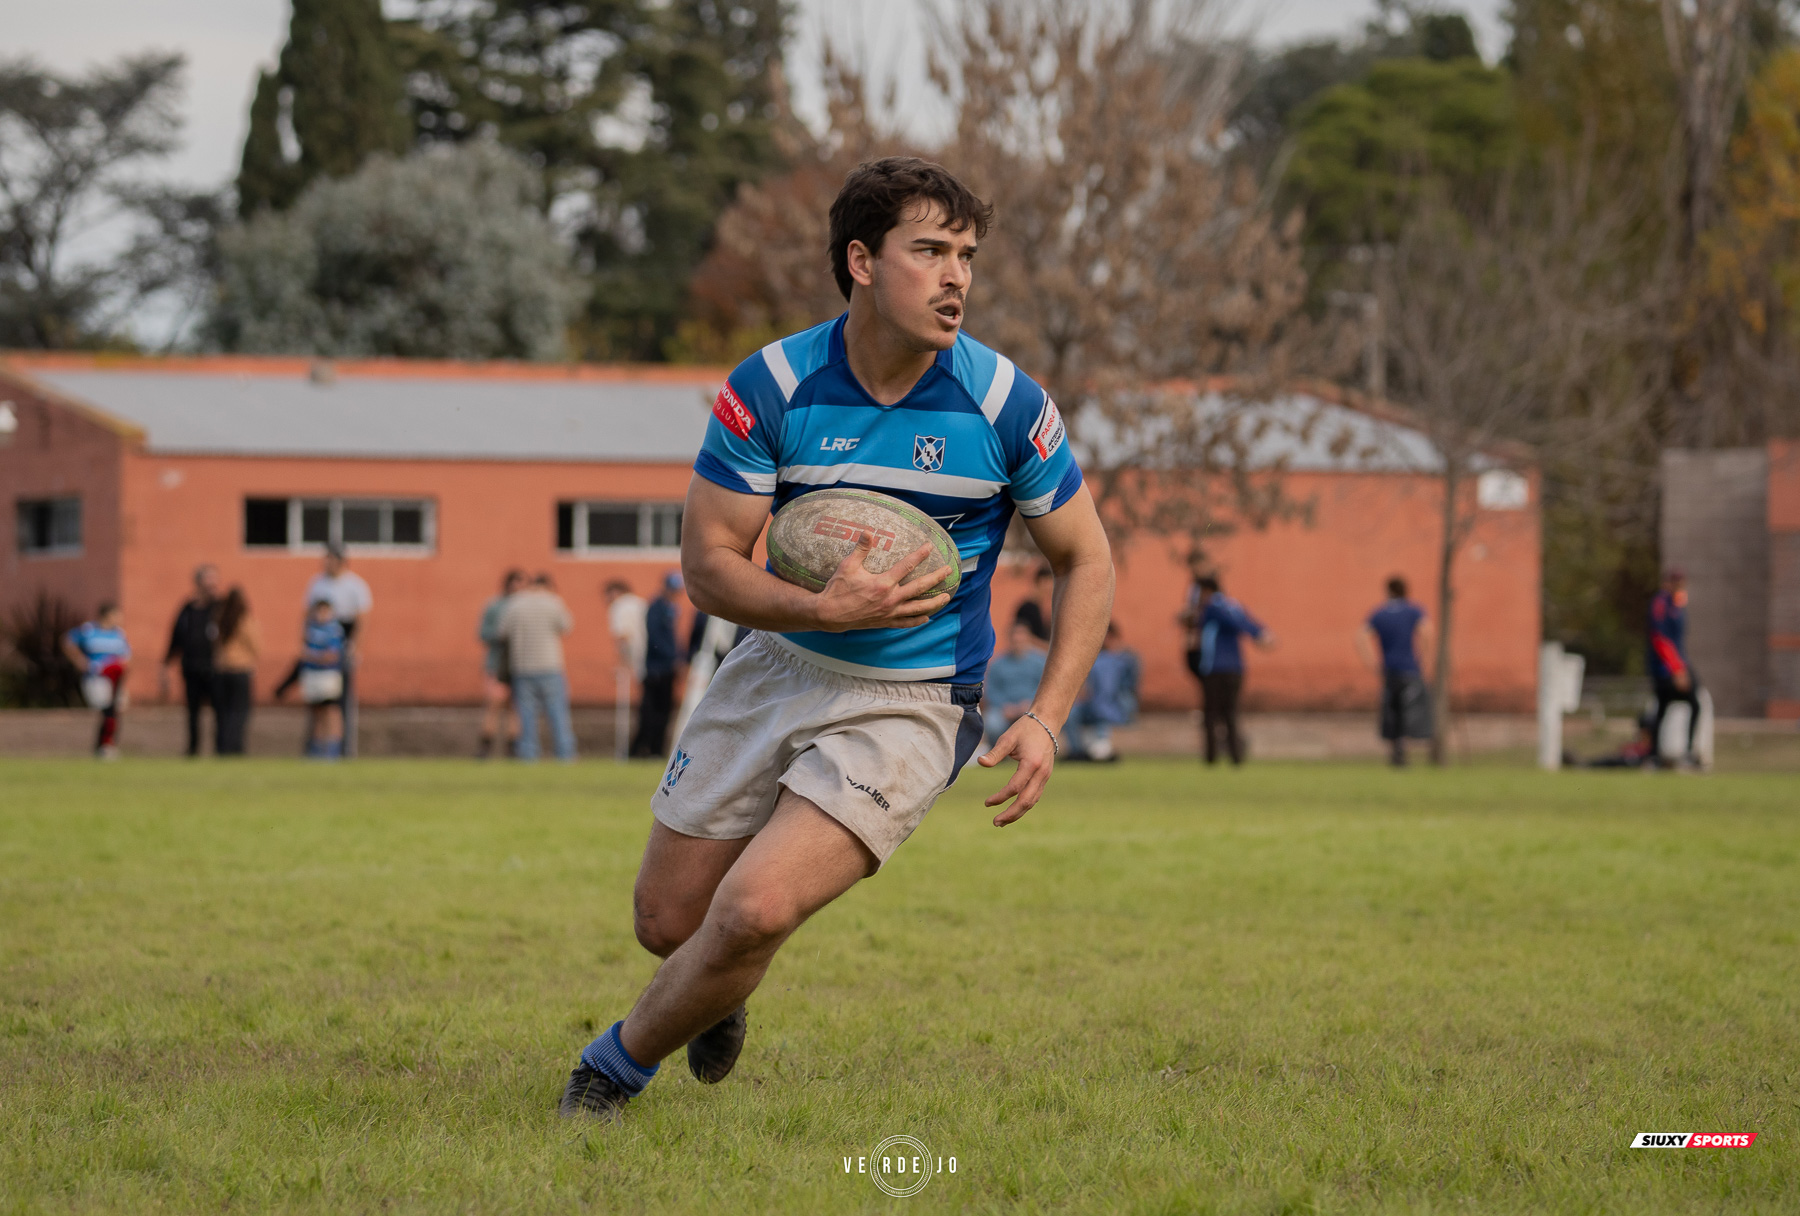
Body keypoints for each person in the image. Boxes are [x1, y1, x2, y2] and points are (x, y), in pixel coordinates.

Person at [557, 156, 1114, 1121]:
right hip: (778, 661)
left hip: (915, 701)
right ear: (861, 261)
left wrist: (1049, 718)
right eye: (929, 251)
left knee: (754, 910)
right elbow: (707, 566)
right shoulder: (772, 385)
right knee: (667, 922)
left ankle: (607, 1072)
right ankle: (716, 986)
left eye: (967, 256)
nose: (956, 278)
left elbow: (1087, 560)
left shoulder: (1005, 404)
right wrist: (818, 610)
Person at [277, 545, 372, 754]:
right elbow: (306, 616)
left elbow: (361, 621)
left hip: (340, 647)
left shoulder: (355, 586)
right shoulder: (317, 583)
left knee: (339, 702)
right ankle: (313, 748)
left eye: (330, 560)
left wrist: (354, 648)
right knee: (315, 701)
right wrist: (305, 644)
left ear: (341, 561)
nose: (326, 564)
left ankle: (343, 749)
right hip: (317, 648)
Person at [1183, 574, 1273, 766]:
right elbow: (1244, 622)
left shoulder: (1211, 607)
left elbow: (1229, 622)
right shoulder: (1233, 605)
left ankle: (1211, 757)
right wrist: (1260, 633)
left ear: (1206, 591)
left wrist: (1258, 635)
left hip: (1215, 668)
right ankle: (1235, 757)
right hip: (1235, 668)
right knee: (1230, 713)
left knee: (1211, 714)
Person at [1357, 576, 1436, 767]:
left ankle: (1396, 751)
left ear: (1388, 591)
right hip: (1410, 670)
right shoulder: (1413, 611)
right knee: (1410, 710)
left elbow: (1361, 636)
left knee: (1392, 711)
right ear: (1405, 590)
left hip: (1389, 670)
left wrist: (1372, 663)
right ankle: (1404, 749)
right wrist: (1425, 659)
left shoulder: (1380, 614)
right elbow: (1427, 631)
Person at [500, 572, 577, 762]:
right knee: (557, 712)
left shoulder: (515, 603)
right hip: (550, 665)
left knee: (526, 714)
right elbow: (567, 627)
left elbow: (503, 631)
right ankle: (565, 753)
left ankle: (528, 754)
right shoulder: (553, 602)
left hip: (523, 666)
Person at [161, 564, 222, 756]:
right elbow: (176, 638)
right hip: (191, 668)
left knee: (219, 711)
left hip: (216, 669)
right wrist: (165, 665)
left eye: (215, 579)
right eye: (209, 579)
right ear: (198, 582)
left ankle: (221, 749)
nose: (213, 584)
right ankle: (193, 750)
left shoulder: (220, 608)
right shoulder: (187, 609)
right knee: (193, 712)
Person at [1647, 568, 1701, 767]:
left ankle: (1685, 752)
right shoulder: (1661, 603)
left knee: (1691, 704)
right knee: (1663, 708)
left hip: (1678, 664)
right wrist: (1677, 670)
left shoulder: (1677, 603)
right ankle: (1655, 755)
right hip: (1664, 668)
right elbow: (1661, 639)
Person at [64, 602, 130, 760]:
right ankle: (104, 745)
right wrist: (81, 662)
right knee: (107, 709)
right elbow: (68, 642)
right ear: (107, 615)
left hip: (114, 679)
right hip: (96, 678)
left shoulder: (118, 634)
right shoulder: (88, 630)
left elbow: (127, 657)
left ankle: (107, 744)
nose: (119, 619)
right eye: (116, 615)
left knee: (115, 710)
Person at [629, 573, 684, 759]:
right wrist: (673, 657)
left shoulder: (671, 608)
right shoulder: (656, 607)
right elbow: (655, 639)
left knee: (664, 711)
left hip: (667, 669)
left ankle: (657, 750)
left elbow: (672, 639)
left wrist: (678, 657)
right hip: (656, 669)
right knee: (650, 712)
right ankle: (641, 749)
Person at [1067, 622, 1139, 761]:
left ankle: (1101, 748)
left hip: (1116, 701)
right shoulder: (1094, 658)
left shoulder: (1126, 659)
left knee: (1102, 708)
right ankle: (1076, 751)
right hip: (1093, 701)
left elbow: (1127, 686)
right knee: (1072, 713)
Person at [477, 570, 524, 759]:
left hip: (519, 664)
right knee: (494, 705)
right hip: (497, 663)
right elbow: (483, 633)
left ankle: (512, 748)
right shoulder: (495, 606)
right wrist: (501, 635)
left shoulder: (524, 606)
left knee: (515, 708)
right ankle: (485, 747)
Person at [982, 620, 1048, 747]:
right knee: (992, 723)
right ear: (1009, 639)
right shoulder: (997, 663)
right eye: (1015, 637)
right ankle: (998, 753)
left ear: (1028, 638)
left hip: (1032, 708)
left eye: (1021, 636)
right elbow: (991, 690)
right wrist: (1005, 706)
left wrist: (1031, 704)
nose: (1018, 640)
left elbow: (1045, 687)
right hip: (1004, 710)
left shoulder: (1040, 662)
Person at [212, 586, 259, 756]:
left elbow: (214, 643)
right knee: (239, 712)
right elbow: (255, 644)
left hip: (222, 670)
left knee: (223, 712)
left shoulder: (219, 618)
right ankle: (235, 747)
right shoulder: (244, 620)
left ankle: (222, 747)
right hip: (240, 669)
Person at [297, 599, 347, 760]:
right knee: (316, 713)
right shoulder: (310, 628)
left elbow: (331, 656)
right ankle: (316, 751)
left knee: (331, 712)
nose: (321, 615)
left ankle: (333, 750)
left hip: (328, 676)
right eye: (319, 611)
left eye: (325, 611)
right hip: (312, 675)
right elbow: (303, 652)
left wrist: (313, 656)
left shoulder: (334, 630)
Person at [1012, 562, 1054, 644]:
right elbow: (1023, 637)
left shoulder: (1040, 607)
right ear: (1041, 582)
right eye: (1049, 583)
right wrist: (1047, 647)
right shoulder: (1028, 608)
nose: (1051, 587)